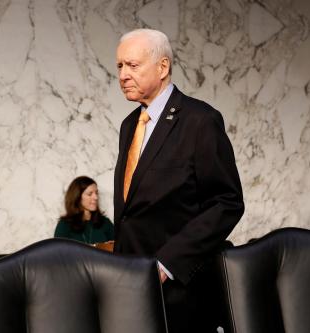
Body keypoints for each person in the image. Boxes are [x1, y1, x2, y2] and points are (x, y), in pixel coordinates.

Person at [113, 28, 244, 332]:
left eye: (132, 65)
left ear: (163, 67)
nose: (122, 75)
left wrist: (166, 264)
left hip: (182, 292)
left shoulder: (200, 121)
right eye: (119, 66)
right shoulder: (128, 125)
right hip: (131, 289)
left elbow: (226, 203)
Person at [54, 176, 114, 245]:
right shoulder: (64, 225)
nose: (96, 197)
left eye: (96, 193)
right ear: (77, 196)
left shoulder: (105, 223)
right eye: (90, 194)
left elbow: (120, 251)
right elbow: (57, 253)